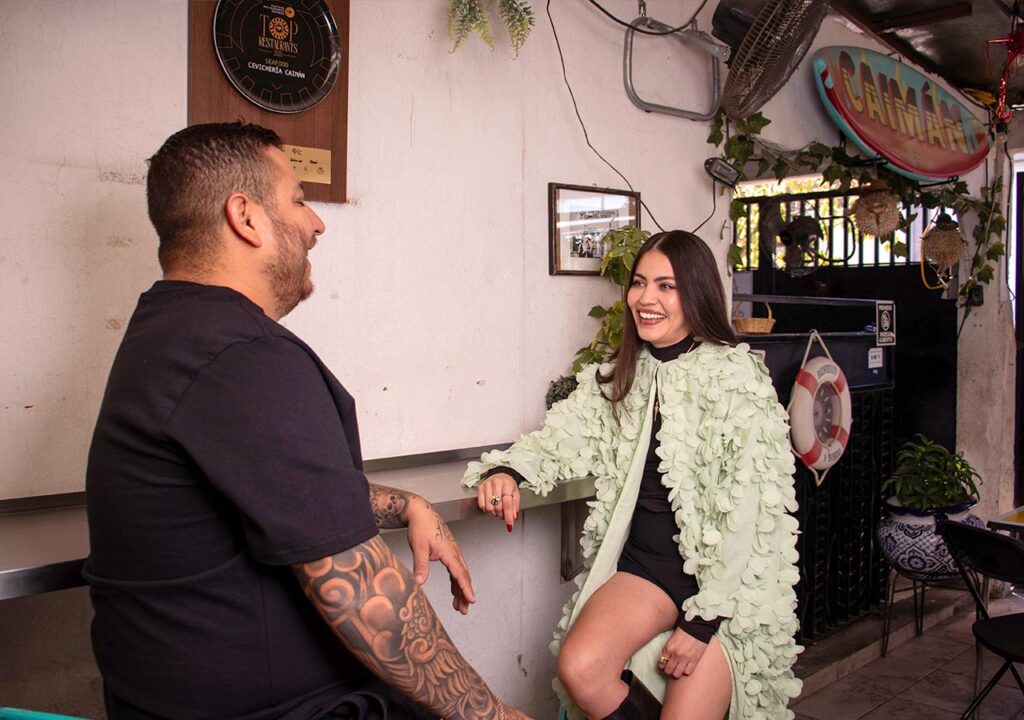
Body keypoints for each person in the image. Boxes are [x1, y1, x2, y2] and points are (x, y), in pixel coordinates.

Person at [84, 122, 531, 720]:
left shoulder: (173, 332)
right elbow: (364, 597)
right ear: (245, 217)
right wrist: (497, 717)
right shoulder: (242, 356)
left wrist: (405, 504)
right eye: (297, 200)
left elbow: (284, 489)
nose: (317, 224)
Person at [464, 231, 802, 719]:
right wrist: (509, 470)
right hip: (649, 568)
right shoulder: (622, 372)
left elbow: (751, 514)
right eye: (640, 283)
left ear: (697, 292)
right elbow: (563, 436)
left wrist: (703, 622)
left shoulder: (739, 376)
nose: (646, 298)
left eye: (666, 286)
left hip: (724, 587)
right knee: (579, 667)